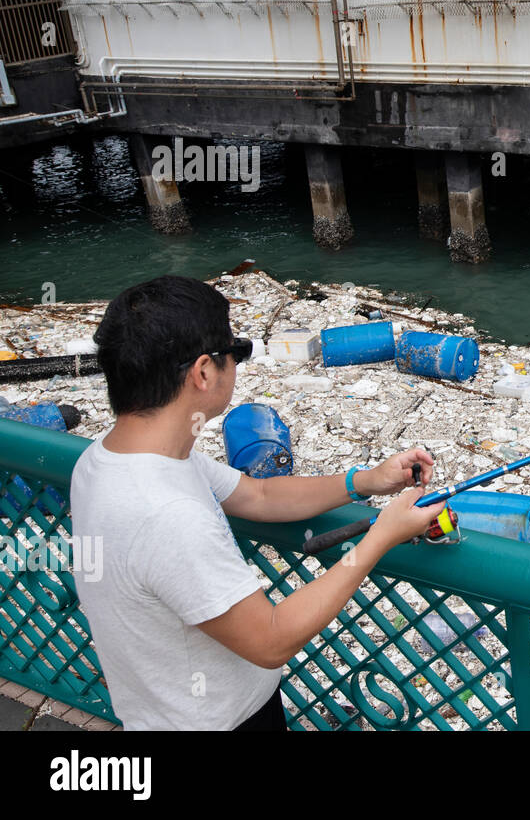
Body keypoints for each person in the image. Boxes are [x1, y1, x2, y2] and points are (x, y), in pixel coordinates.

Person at [69, 274, 445, 730]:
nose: (236, 365)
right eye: (235, 353)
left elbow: (258, 494)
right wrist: (379, 536)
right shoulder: (166, 514)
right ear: (204, 372)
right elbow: (270, 639)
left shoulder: (107, 459)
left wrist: (367, 480)